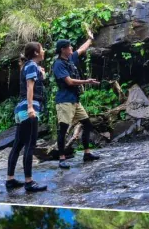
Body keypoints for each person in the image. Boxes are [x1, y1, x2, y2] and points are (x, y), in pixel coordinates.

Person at [52, 30, 100, 169]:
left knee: (87, 124)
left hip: (74, 100)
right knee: (63, 129)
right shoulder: (58, 64)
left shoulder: (70, 58)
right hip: (64, 101)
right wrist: (87, 81)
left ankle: (86, 153)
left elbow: (81, 49)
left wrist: (90, 39)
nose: (72, 48)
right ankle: (61, 159)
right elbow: (69, 82)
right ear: (63, 49)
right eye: (69, 47)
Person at [6, 42, 48, 193]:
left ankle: (10, 180)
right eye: (42, 49)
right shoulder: (31, 66)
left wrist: (41, 74)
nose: (44, 51)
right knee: (30, 145)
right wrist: (31, 108)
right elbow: (30, 87)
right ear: (36, 53)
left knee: (17, 146)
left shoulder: (29, 66)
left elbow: (34, 83)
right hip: (28, 109)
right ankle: (29, 183)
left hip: (21, 110)